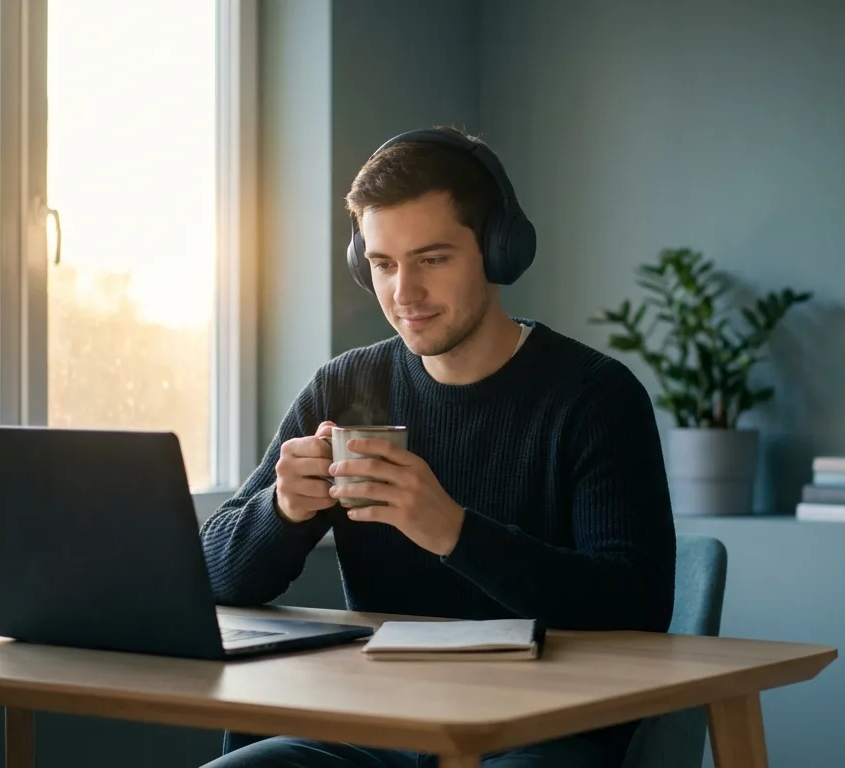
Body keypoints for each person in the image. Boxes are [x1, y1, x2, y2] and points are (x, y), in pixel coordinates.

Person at [197, 126, 676, 768]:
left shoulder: (594, 396)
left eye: (432, 259)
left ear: (498, 251)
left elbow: (637, 604)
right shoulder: (344, 385)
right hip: (376, 726)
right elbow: (211, 578)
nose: (404, 293)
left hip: (539, 732)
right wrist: (280, 512)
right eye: (383, 264)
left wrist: (454, 532)